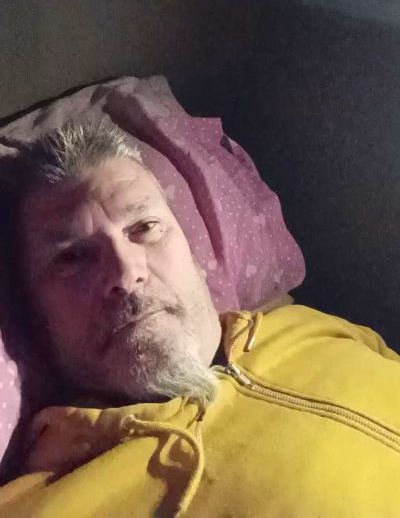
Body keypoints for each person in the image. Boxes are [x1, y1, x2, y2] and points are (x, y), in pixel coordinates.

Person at [0, 119, 400, 518]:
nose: (126, 272)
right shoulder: (45, 505)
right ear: (35, 314)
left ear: (191, 250)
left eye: (145, 227)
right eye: (73, 257)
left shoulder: (309, 328)